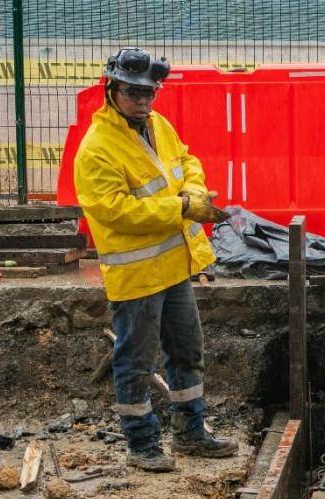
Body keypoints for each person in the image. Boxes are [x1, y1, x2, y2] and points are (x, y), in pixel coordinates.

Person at [74, 47, 237, 472]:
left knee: (187, 351)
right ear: (111, 89)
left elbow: (186, 160)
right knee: (136, 361)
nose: (143, 101)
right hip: (136, 273)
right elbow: (115, 211)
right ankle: (142, 444)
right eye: (133, 93)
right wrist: (182, 209)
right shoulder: (97, 149)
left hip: (173, 267)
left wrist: (196, 192)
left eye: (150, 94)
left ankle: (191, 434)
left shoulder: (156, 125)